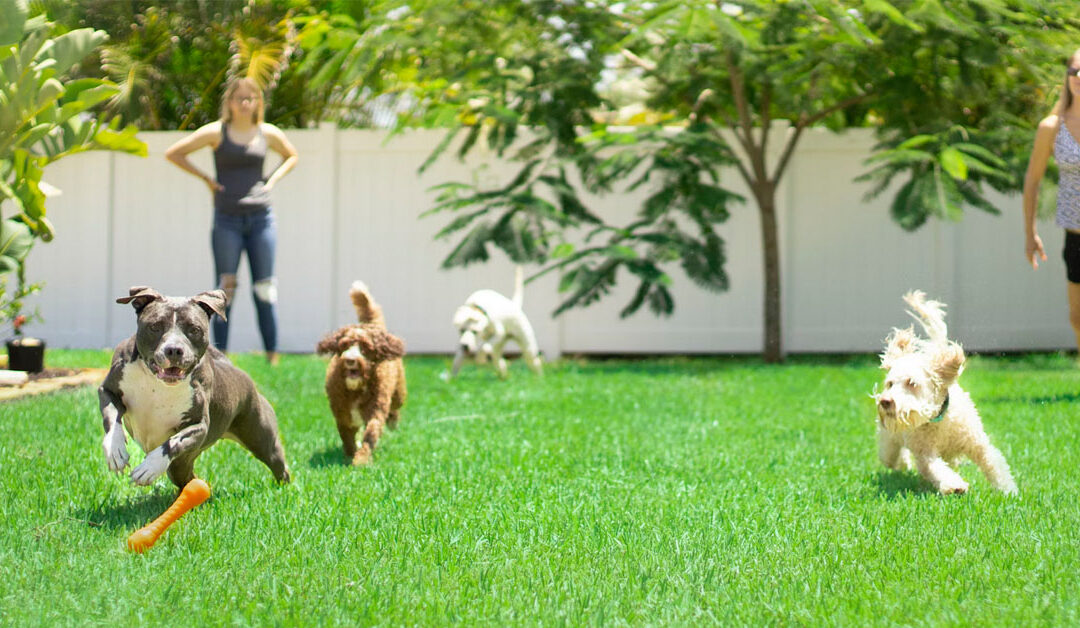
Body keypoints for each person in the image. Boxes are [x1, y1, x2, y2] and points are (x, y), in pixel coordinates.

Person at [165, 77, 298, 365]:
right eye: (240, 98)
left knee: (265, 288)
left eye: (251, 98)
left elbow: (291, 156)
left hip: (261, 219)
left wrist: (271, 181)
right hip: (227, 219)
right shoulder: (217, 133)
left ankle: (272, 356)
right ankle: (220, 357)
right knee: (225, 291)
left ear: (258, 103)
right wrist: (207, 180)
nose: (245, 102)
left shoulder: (267, 133)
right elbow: (174, 153)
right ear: (229, 102)